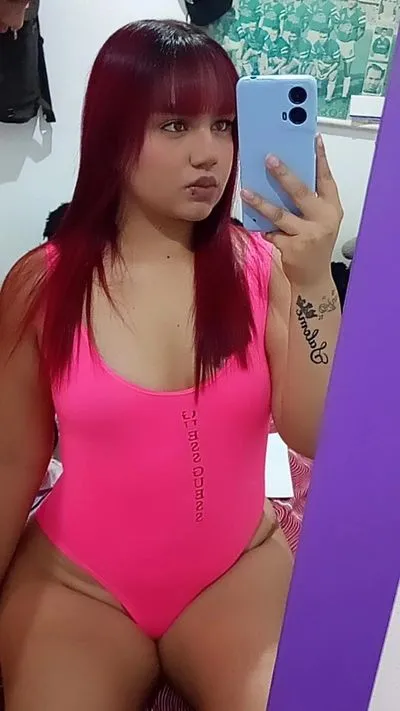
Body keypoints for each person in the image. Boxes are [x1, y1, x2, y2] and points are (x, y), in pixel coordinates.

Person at [0, 19, 343, 711]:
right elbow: (11, 463)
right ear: (113, 134)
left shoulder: (266, 269)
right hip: (79, 583)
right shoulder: (44, 284)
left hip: (234, 571)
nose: (209, 153)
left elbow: (314, 433)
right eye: (176, 125)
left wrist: (314, 281)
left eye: (224, 125)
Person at [336, 0, 366, 99]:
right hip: (338, 41)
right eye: (349, 0)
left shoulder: (360, 14)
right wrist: (338, 35)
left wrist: (354, 39)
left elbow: (362, 30)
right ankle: (330, 89)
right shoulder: (341, 11)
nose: (351, 2)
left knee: (347, 69)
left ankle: (344, 94)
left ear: (356, 2)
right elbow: (335, 24)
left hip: (349, 44)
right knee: (333, 64)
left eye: (353, 0)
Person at [310, 29, 341, 102]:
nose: (322, 39)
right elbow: (314, 58)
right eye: (320, 37)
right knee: (313, 73)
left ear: (328, 38)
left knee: (332, 76)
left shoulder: (334, 45)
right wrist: (317, 70)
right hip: (321, 63)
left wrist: (327, 73)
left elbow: (337, 62)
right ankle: (313, 91)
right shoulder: (316, 44)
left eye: (324, 37)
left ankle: (328, 96)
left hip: (331, 65)